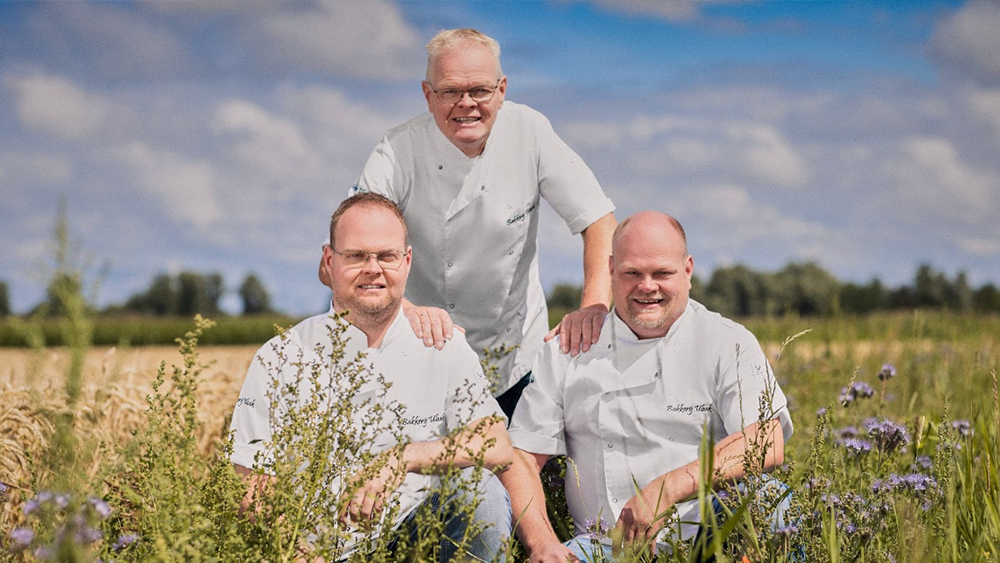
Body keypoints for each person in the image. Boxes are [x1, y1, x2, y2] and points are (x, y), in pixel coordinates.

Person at [319, 28, 617, 416]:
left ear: (502, 89)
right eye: (450, 92)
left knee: (517, 471)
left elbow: (599, 220)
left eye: (479, 90)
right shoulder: (397, 151)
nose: (466, 104)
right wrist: (405, 311)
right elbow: (338, 265)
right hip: (417, 351)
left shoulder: (531, 132)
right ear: (428, 95)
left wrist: (593, 307)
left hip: (515, 360)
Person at [233, 193, 513, 561]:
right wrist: (298, 549)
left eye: (386, 256)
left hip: (419, 536)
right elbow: (251, 479)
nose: (373, 268)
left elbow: (494, 443)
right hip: (324, 550)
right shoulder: (281, 356)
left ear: (407, 261)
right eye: (356, 256)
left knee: (480, 490)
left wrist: (404, 457)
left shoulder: (442, 344)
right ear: (329, 261)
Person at [500, 211, 794, 561]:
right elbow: (520, 458)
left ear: (687, 271)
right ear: (610, 270)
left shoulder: (726, 342)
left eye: (662, 273)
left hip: (707, 536)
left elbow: (766, 439)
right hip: (604, 546)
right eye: (632, 273)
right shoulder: (569, 350)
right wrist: (543, 543)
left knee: (770, 498)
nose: (647, 286)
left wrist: (667, 489)